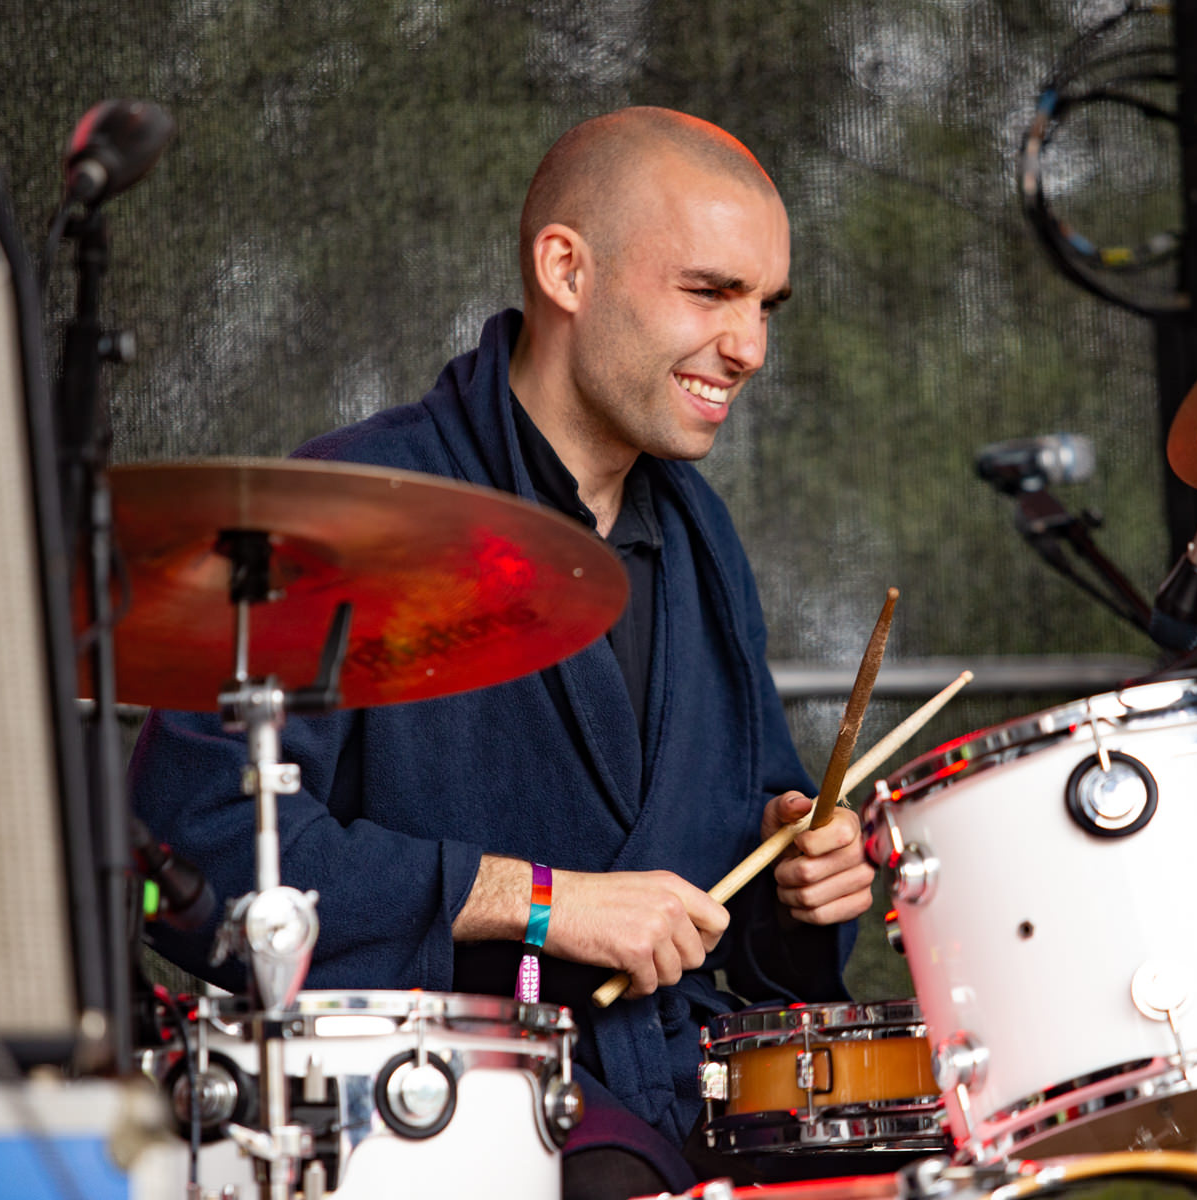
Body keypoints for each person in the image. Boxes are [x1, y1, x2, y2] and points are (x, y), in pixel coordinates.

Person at [130, 107, 876, 1198]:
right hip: (446, 1119)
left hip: (695, 1097)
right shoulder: (349, 514)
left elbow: (742, 906)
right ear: (567, 269)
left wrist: (802, 876)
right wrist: (539, 902)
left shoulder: (703, 534)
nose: (751, 346)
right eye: (711, 292)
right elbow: (193, 852)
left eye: (766, 306)